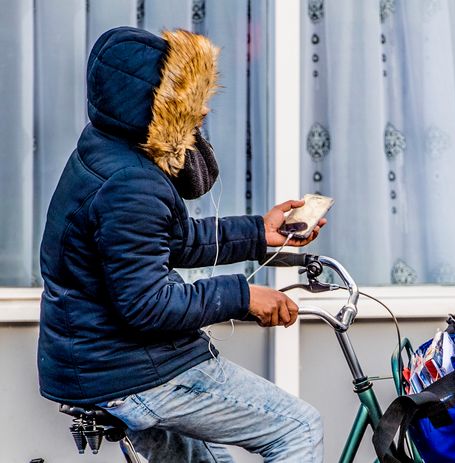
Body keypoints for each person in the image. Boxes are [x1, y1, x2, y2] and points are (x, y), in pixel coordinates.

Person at [37, 26, 325, 462]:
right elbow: (148, 303)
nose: (203, 112)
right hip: (132, 371)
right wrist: (243, 295)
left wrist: (258, 234)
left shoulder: (106, 150)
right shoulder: (130, 183)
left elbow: (164, 240)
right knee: (299, 428)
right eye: (192, 101)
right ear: (159, 105)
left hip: (100, 364)